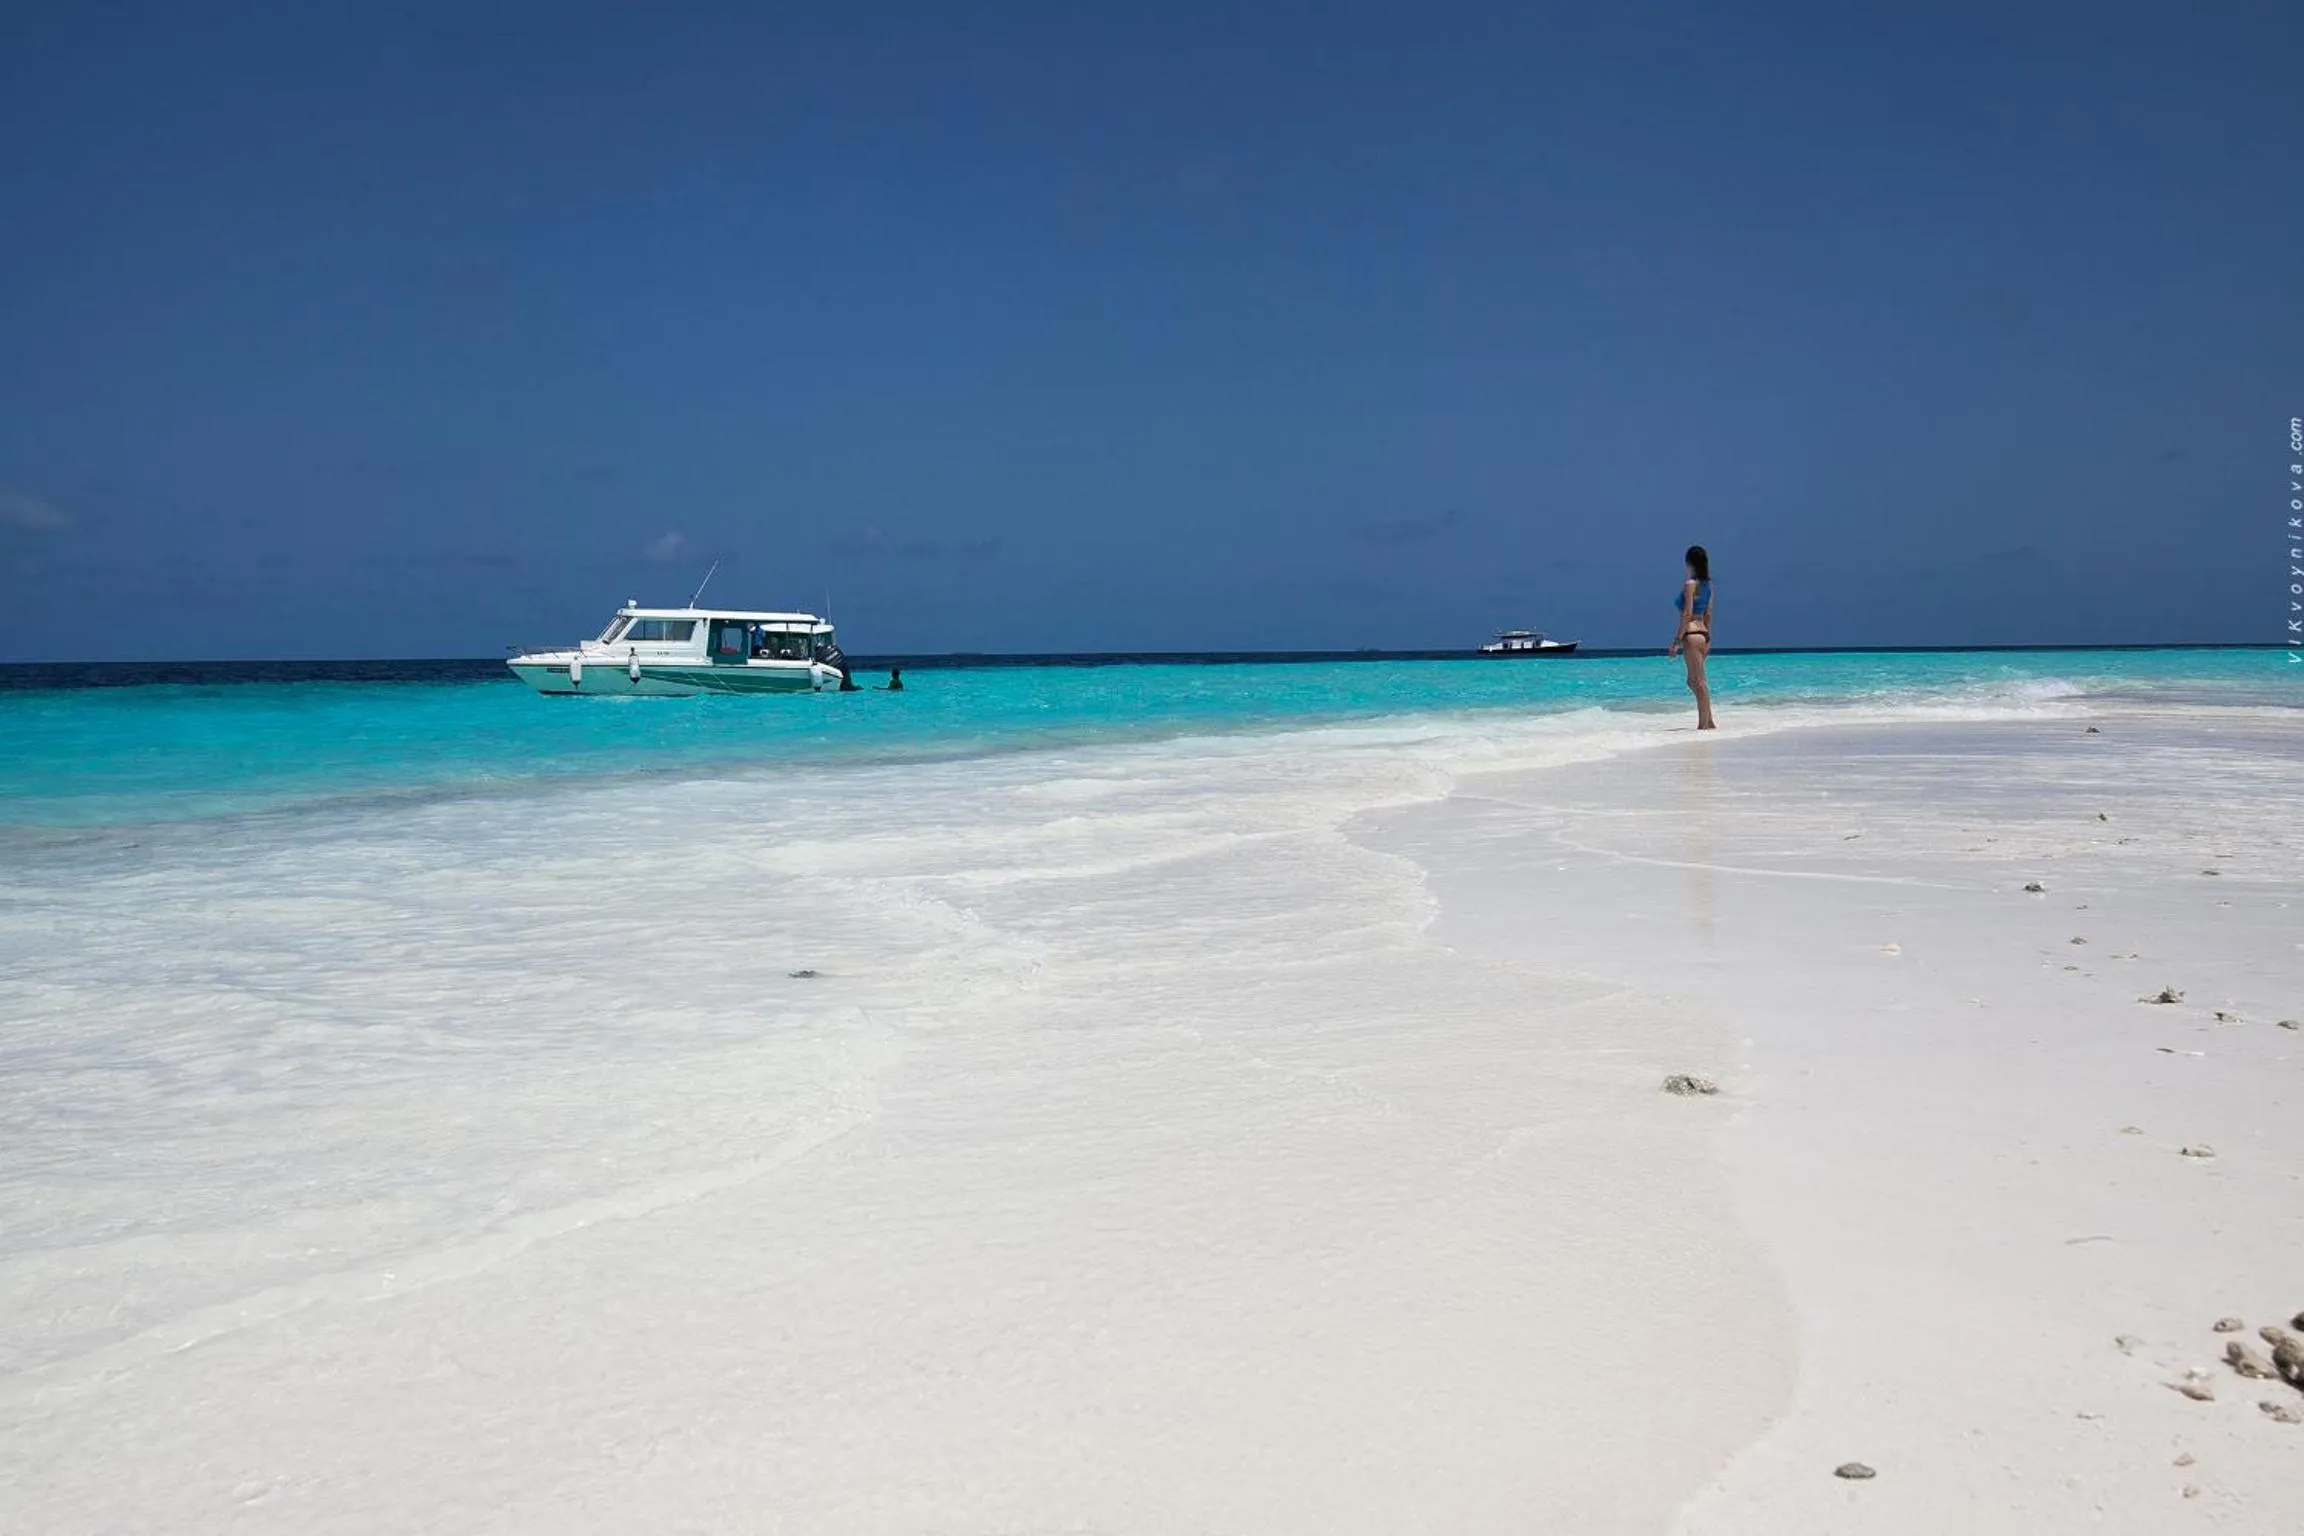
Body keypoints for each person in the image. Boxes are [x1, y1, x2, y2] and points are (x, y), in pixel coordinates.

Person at [1668, 544, 1716, 730]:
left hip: (1691, 633)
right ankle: (1708, 719)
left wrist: (1676, 641)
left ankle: (1704, 724)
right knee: (1692, 680)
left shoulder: (1690, 585)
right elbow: (1708, 615)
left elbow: (1687, 614)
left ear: (1689, 562)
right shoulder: (1708, 587)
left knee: (1699, 681)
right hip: (1703, 634)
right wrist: (1708, 639)